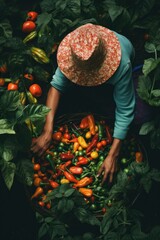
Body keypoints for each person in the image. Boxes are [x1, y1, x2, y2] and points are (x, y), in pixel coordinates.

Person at [31, 23, 135, 184]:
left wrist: (113, 154)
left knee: (139, 115)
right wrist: (47, 129)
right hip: (93, 76)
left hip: (116, 79)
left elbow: (125, 109)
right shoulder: (76, 52)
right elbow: (56, 86)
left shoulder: (122, 65)